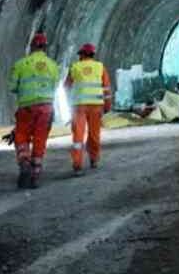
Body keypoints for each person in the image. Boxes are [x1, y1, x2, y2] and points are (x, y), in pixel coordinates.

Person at [8, 31, 60, 189]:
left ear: (31, 47)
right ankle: (35, 172)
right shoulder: (53, 65)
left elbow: (12, 87)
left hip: (26, 107)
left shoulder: (20, 64)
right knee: (40, 138)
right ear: (45, 47)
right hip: (46, 107)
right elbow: (55, 85)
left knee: (21, 134)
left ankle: (24, 161)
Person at [66, 42, 112, 174]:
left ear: (82, 55)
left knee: (78, 136)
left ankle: (77, 165)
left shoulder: (75, 67)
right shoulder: (100, 67)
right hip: (96, 106)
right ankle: (94, 159)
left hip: (79, 107)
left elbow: (66, 86)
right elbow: (106, 89)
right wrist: (107, 106)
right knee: (94, 134)